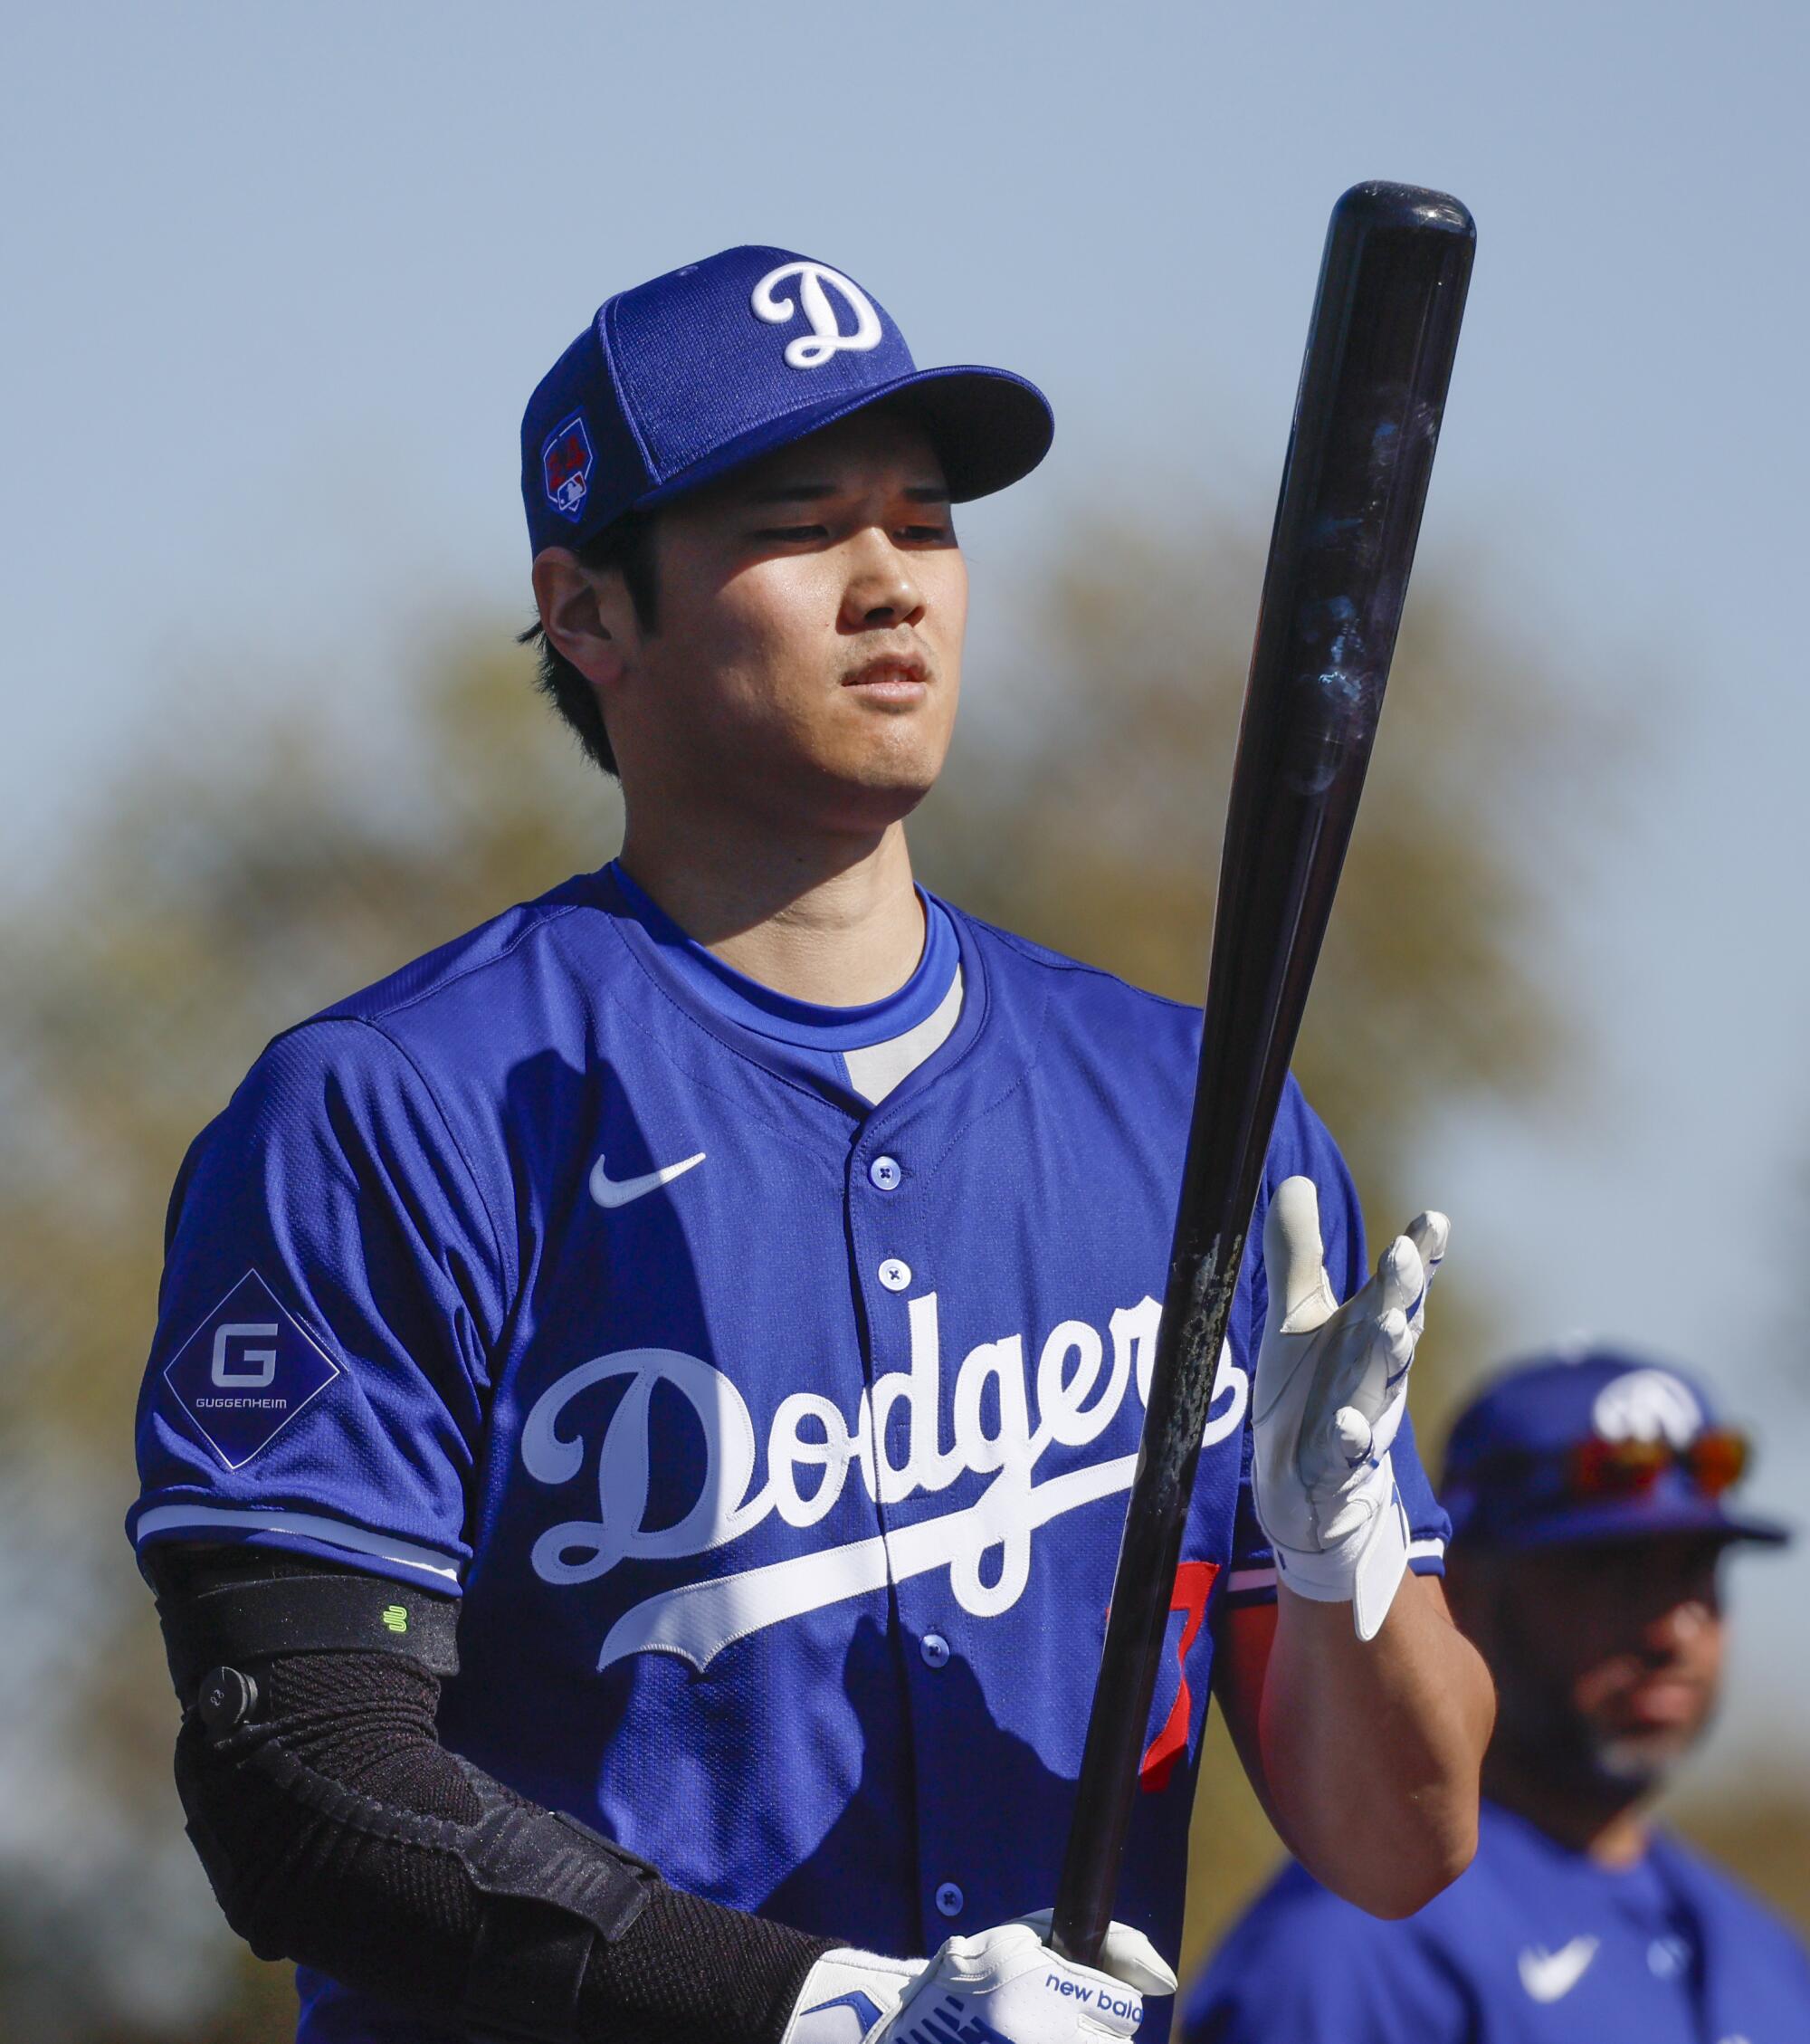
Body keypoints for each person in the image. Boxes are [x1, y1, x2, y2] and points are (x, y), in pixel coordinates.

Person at [128, 245, 1491, 2044]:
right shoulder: (399, 1108)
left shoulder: (1190, 1112)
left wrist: (1343, 1561)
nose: (890, 586)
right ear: (589, 611)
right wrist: (828, 2015)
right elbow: (300, 1785)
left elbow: (1401, 1844)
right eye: (799, 525)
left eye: (925, 525)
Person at [1184, 1345, 1810, 2044]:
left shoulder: (1771, 1961)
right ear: (1458, 1591)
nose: (1673, 1630)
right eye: (1611, 1571)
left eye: (1694, 1571)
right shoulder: (1351, 1950)